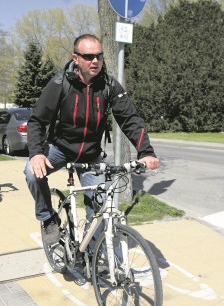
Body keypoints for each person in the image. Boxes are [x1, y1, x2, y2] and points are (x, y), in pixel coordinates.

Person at [25, 34, 160, 245]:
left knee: (100, 207)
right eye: (88, 56)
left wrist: (146, 151)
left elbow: (130, 119)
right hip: (59, 149)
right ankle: (47, 217)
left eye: (99, 56)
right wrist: (36, 154)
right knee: (32, 173)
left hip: (91, 154)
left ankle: (92, 253)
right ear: (76, 58)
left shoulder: (109, 86)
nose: (95, 61)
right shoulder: (59, 84)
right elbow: (36, 121)